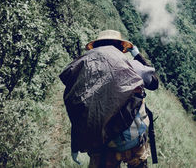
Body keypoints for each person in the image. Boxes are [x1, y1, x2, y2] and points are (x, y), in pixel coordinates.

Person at [59, 30, 159, 168]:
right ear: (120, 47)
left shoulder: (84, 67)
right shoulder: (131, 65)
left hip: (100, 144)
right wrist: (136, 54)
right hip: (132, 139)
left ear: (97, 47)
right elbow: (154, 83)